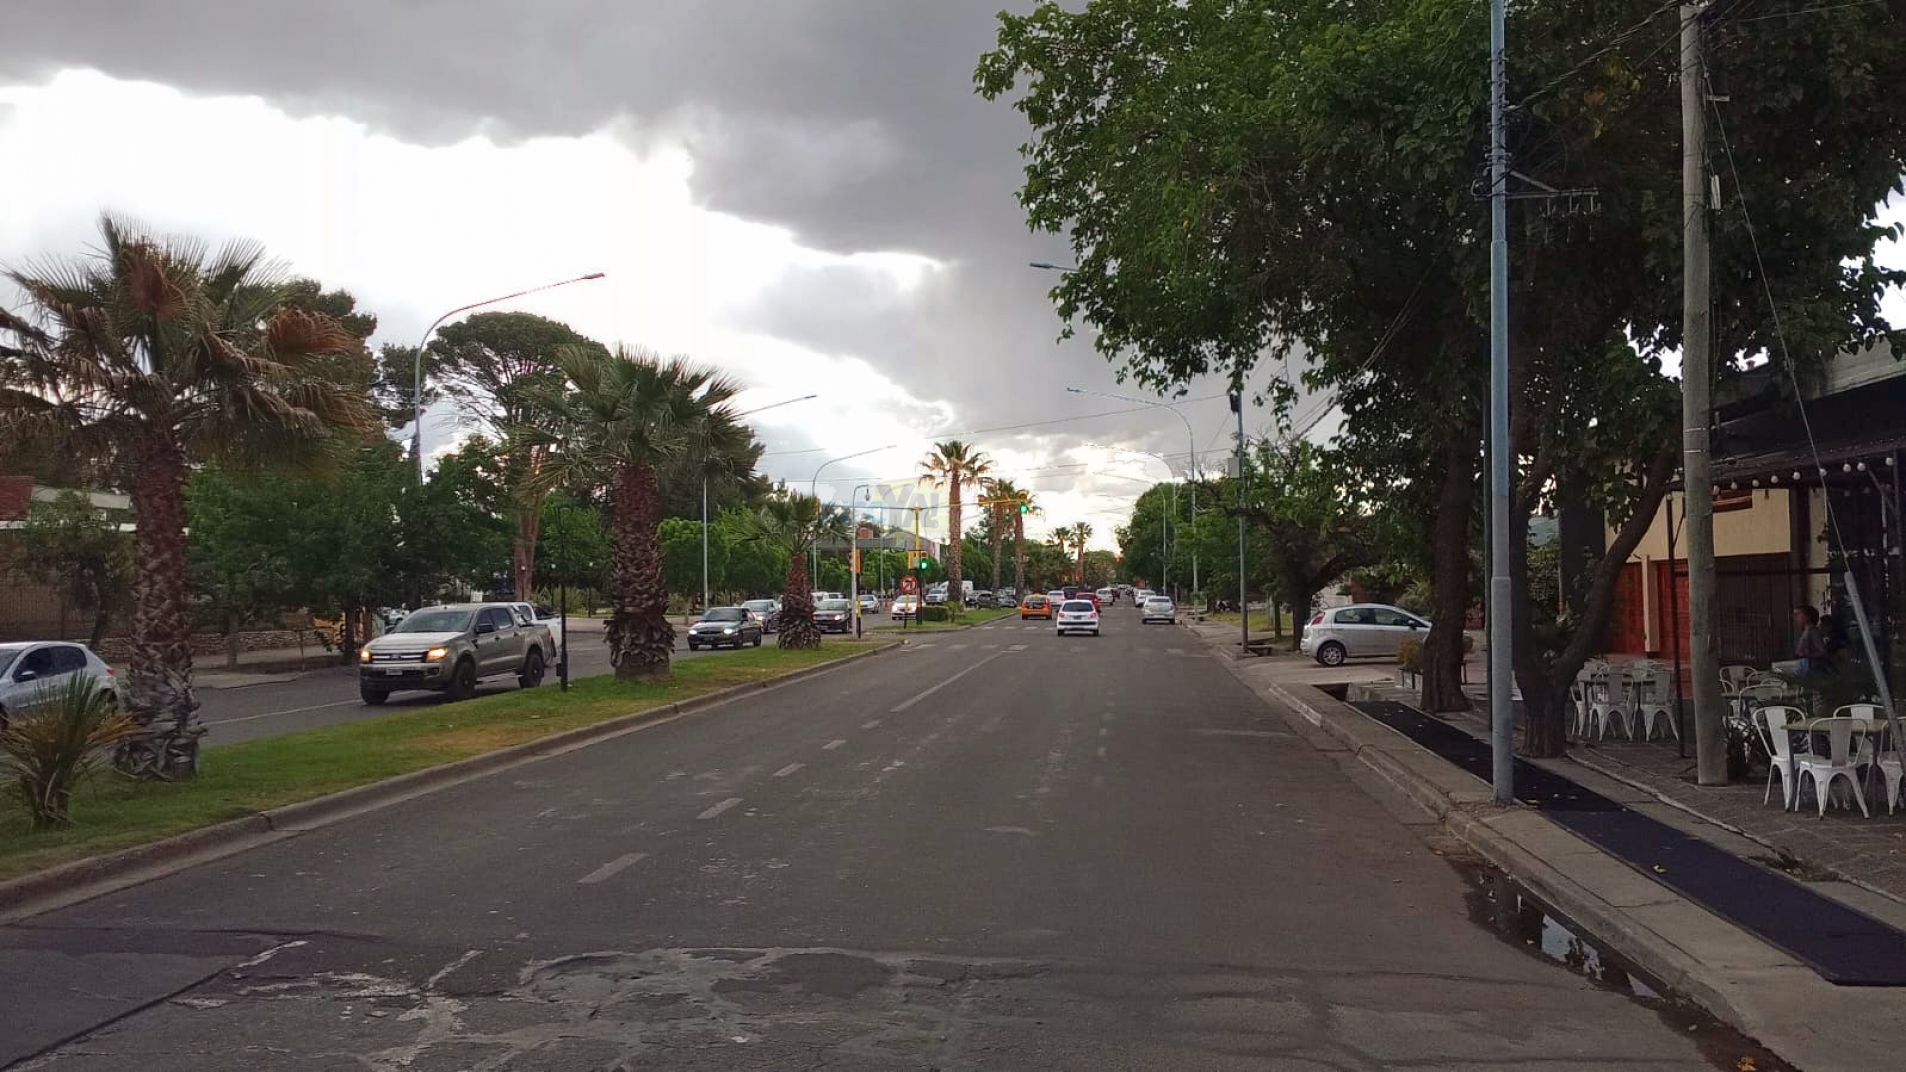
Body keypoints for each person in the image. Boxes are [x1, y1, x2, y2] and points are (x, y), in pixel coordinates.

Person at [1793, 605, 1827, 675]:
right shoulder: (1806, 630)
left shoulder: (1813, 631)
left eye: (1799, 615)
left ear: (1807, 616)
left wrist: (1808, 655)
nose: (1796, 618)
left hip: (1809, 664)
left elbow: (1822, 650)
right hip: (1803, 663)